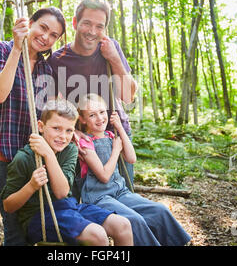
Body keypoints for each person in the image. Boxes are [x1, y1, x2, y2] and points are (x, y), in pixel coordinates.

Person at [0, 7, 66, 246]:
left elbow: (50, 114)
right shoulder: (2, 48)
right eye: (43, 28)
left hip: (28, 157)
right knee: (14, 226)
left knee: (29, 227)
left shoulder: (45, 69)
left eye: (54, 35)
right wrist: (18, 48)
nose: (46, 37)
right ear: (30, 23)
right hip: (1, 155)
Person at [1, 99, 133, 245]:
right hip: (39, 217)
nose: (63, 136)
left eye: (69, 130)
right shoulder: (24, 158)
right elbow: (8, 205)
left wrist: (49, 155)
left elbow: (62, 193)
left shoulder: (70, 150)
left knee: (123, 225)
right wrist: (31, 186)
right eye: (56, 128)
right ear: (41, 126)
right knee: (97, 236)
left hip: (70, 207)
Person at [47, 0, 137, 193]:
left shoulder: (110, 47)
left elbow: (128, 97)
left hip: (115, 134)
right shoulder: (56, 60)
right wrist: (73, 133)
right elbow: (53, 108)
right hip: (82, 140)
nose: (92, 31)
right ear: (74, 23)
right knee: (92, 204)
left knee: (126, 196)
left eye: (99, 26)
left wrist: (114, 58)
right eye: (87, 23)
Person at [77, 93, 192, 246]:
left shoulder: (112, 135)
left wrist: (119, 127)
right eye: (92, 115)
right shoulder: (85, 143)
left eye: (102, 112)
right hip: (99, 198)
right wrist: (116, 150)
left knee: (159, 210)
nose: (99, 118)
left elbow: (131, 158)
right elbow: (104, 176)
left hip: (120, 192)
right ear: (83, 120)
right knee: (134, 220)